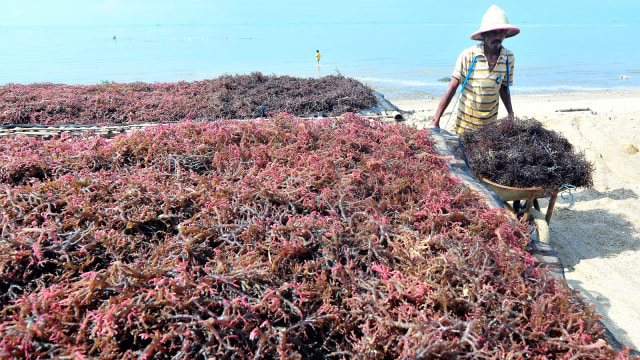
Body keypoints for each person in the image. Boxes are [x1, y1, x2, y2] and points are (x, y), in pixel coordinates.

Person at [432, 5, 519, 134]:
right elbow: (452, 88)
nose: (497, 36)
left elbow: (504, 88)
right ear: (484, 34)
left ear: (505, 34)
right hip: (465, 126)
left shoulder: (508, 58)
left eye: (501, 32)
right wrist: (436, 119)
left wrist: (511, 114)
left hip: (490, 126)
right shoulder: (469, 56)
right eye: (493, 32)